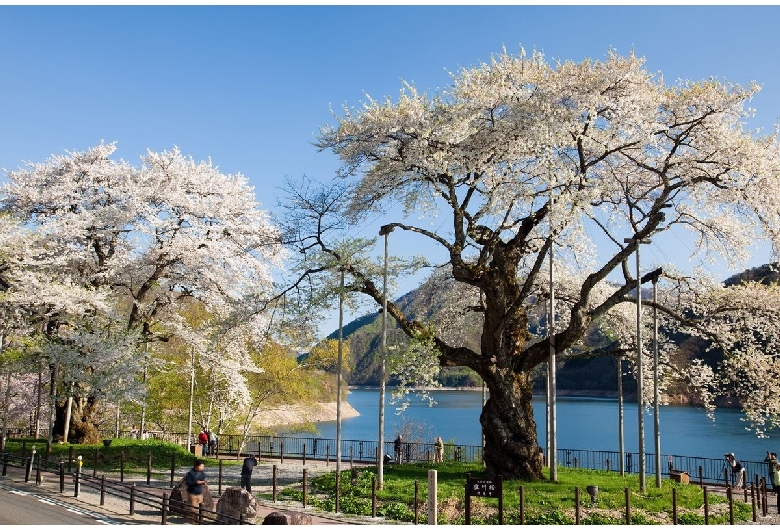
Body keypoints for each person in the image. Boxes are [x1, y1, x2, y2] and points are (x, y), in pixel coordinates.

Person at [185, 459, 207, 523]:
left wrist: (203, 482)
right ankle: (193, 521)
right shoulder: (190, 473)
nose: (202, 468)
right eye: (201, 466)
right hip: (192, 493)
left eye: (203, 466)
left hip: (199, 493)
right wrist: (197, 482)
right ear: (196, 466)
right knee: (193, 509)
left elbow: (203, 480)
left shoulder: (202, 474)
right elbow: (188, 482)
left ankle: (199, 520)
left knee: (200, 508)